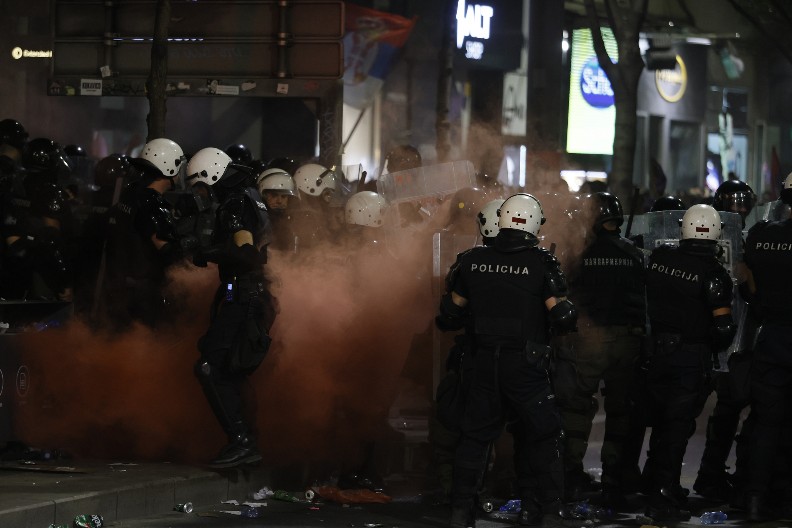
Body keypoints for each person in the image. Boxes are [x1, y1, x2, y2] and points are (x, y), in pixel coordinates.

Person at [436, 193, 577, 527]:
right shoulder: (542, 263)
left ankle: (461, 510)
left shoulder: (471, 260)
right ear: (534, 223)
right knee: (543, 435)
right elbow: (563, 317)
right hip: (526, 367)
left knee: (475, 437)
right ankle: (548, 510)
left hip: (482, 364)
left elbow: (449, 315)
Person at [642, 204, 735, 521]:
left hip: (656, 351)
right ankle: (663, 495)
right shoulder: (713, 273)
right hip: (689, 357)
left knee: (660, 420)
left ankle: (654, 483)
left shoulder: (661, 258)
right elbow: (723, 328)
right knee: (677, 425)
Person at [554, 192, 646, 507]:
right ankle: (613, 480)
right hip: (626, 342)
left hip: (589, 341)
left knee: (577, 408)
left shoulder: (579, 254)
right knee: (621, 412)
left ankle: (570, 476)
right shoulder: (635, 254)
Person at [192, 161, 277, 469]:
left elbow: (244, 254)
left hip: (245, 295)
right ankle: (249, 439)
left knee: (210, 367)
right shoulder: (249, 197)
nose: (202, 193)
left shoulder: (235, 202)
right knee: (230, 367)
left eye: (201, 185)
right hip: (241, 292)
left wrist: (206, 252)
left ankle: (242, 440)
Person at [693, 179, 757, 502]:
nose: (738, 209)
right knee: (721, 410)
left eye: (742, 204)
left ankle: (712, 474)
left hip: (734, 336)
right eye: (734, 203)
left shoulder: (747, 241)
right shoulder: (709, 241)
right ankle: (709, 475)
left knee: (729, 409)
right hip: (715, 334)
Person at [739, 172, 792, 521]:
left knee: (766, 423)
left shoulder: (761, 235)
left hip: (769, 338)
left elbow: (745, 284)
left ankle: (755, 499)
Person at [103, 138, 190, 329]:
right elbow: (165, 249)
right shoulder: (153, 206)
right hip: (145, 293)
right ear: (168, 166)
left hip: (120, 284)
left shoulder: (130, 193)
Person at [256, 167, 298, 251]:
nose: (279, 201)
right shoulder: (257, 222)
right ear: (263, 196)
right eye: (274, 195)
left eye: (284, 196)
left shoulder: (293, 222)